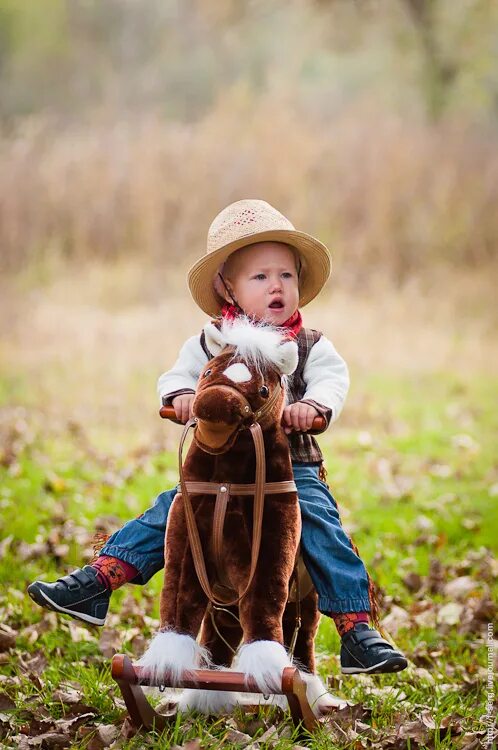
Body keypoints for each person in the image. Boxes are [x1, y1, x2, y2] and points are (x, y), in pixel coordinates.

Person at [28, 199, 407, 675]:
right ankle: (100, 581)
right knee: (171, 509)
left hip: (290, 472)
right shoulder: (211, 342)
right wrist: (183, 395)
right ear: (227, 287)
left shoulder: (310, 345)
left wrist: (314, 406)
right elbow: (176, 374)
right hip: (219, 469)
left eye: (286, 276)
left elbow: (334, 379)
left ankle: (355, 627)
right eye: (260, 277)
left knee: (320, 523)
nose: (276, 286)